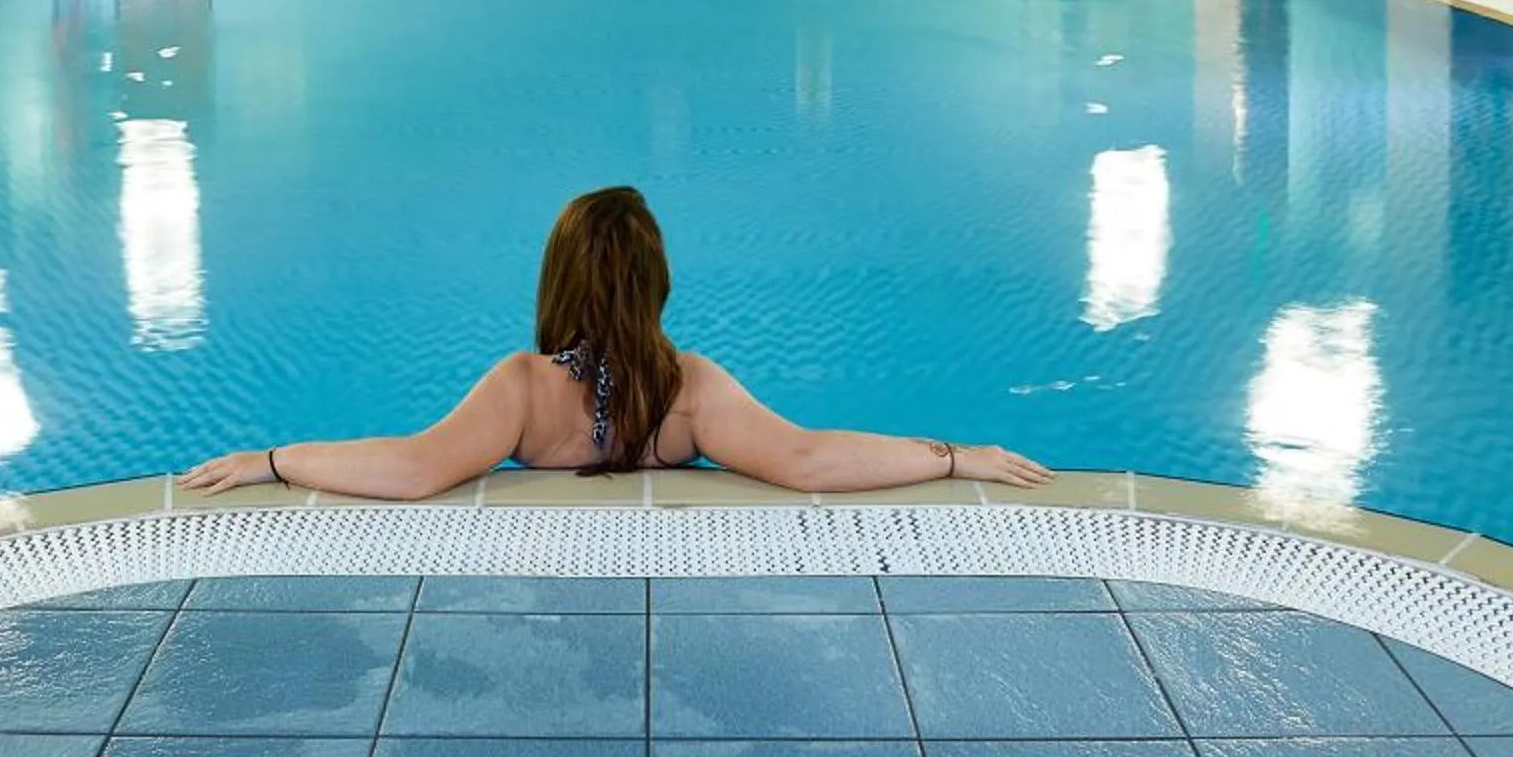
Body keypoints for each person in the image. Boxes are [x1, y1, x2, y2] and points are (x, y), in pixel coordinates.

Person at [183, 185, 1051, 501]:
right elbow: (811, 461)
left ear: (556, 278)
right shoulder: (691, 390)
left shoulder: (522, 389)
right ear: (658, 280)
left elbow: (413, 471)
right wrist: (950, 456)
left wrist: (277, 458)